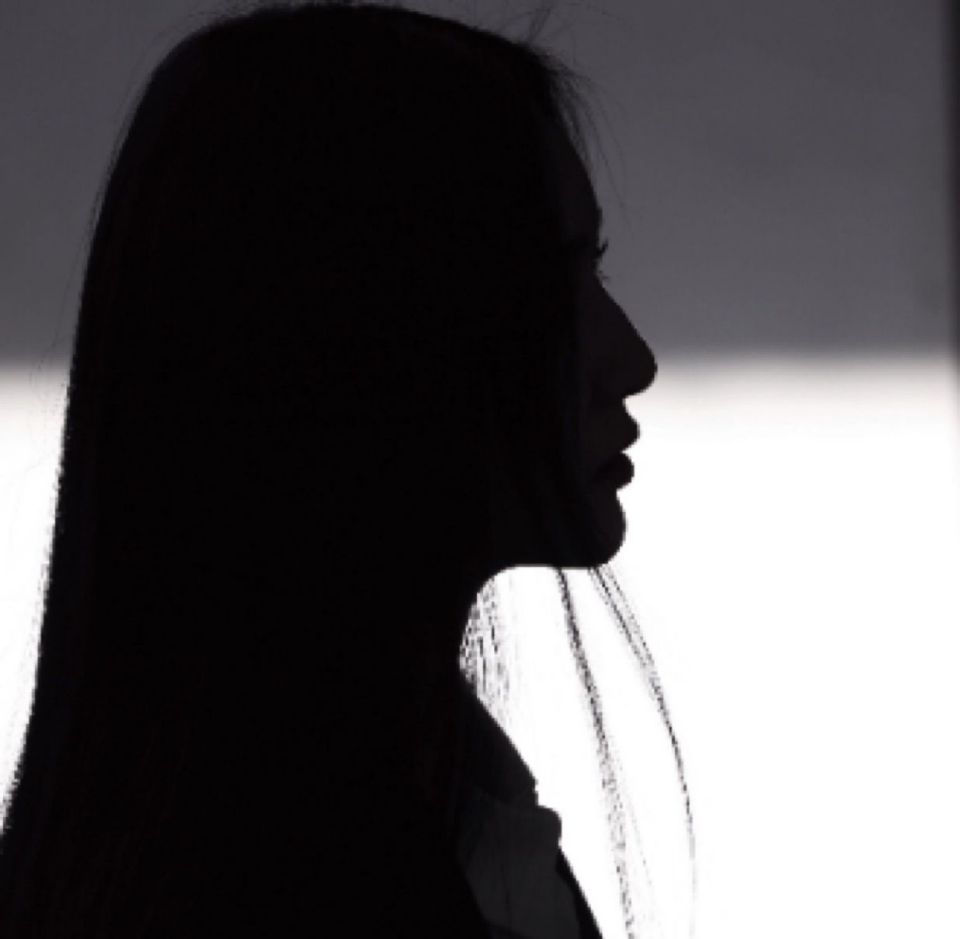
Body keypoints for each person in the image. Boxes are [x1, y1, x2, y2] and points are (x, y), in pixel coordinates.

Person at [0, 3, 669, 936]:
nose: (631, 359)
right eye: (554, 286)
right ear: (366, 342)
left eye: (593, 273)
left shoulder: (437, 816)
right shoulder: (302, 885)